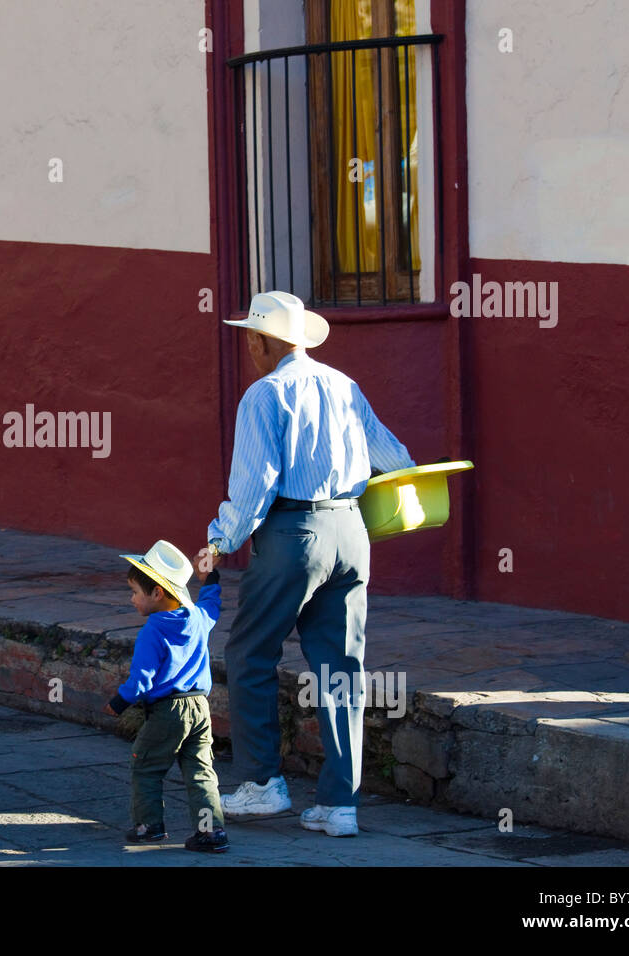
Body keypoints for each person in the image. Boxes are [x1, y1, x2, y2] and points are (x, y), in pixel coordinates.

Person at [200, 291, 415, 838]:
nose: (248, 346)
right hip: (351, 530)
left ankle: (261, 784)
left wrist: (219, 543)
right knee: (342, 667)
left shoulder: (264, 395)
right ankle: (340, 805)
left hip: (293, 534)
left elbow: (255, 484)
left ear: (262, 341)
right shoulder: (344, 385)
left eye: (250, 336)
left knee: (249, 653)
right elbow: (395, 457)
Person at [103, 540, 228, 852]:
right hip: (200, 708)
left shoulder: (152, 631)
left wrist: (118, 703)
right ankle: (210, 832)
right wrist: (210, 577)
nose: (132, 599)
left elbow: (141, 681)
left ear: (157, 592)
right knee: (200, 772)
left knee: (145, 766)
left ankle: (150, 827)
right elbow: (212, 602)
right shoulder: (199, 617)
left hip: (167, 712)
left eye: (135, 591)